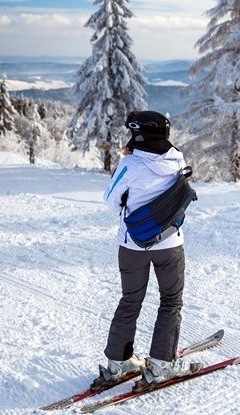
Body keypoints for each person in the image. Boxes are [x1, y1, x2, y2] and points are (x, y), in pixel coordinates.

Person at [94, 110, 197, 391]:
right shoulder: (178, 161)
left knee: (130, 300)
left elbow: (110, 201)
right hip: (170, 244)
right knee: (171, 301)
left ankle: (118, 363)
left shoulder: (130, 165)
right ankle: (162, 364)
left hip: (132, 245)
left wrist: (127, 159)